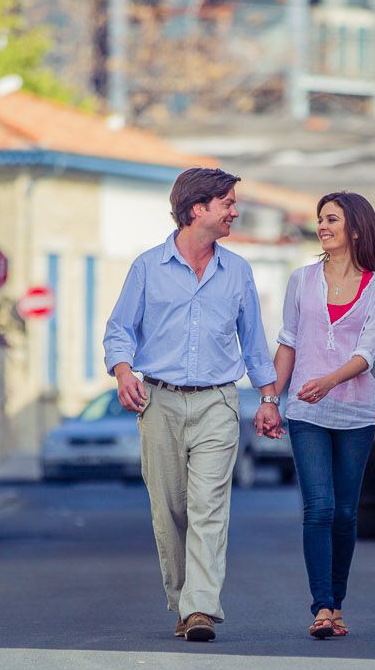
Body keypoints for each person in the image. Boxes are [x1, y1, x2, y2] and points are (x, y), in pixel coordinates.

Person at [103, 167, 283, 642]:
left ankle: (201, 608)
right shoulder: (146, 267)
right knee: (169, 511)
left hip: (218, 403)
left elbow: (255, 344)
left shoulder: (238, 271)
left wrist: (268, 399)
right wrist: (123, 371)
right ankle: (183, 601)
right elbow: (120, 329)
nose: (235, 212)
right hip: (158, 401)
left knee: (208, 507)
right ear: (197, 209)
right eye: (227, 203)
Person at [272, 191, 375, 639]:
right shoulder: (301, 280)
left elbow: (366, 354)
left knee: (345, 512)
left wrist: (328, 381)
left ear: (356, 229)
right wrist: (272, 399)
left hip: (355, 412)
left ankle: (337, 603)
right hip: (305, 411)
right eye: (320, 219)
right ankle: (322, 607)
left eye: (332, 220)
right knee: (319, 507)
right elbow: (288, 342)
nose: (322, 226)